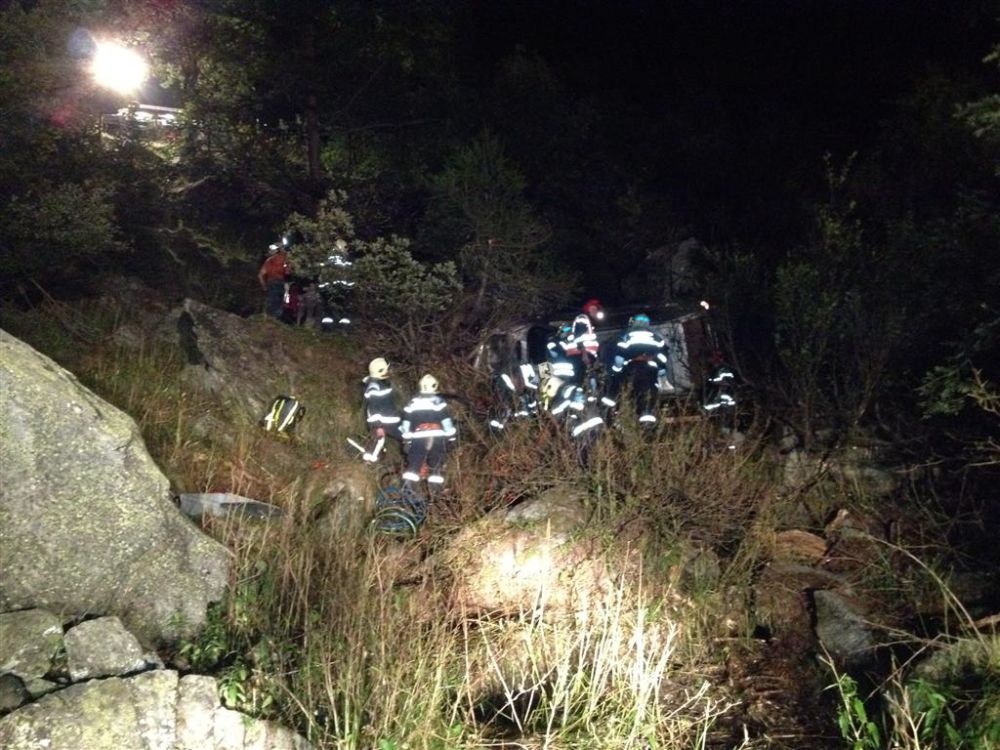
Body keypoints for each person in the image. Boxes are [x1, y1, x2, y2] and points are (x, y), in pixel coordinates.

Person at [608, 313, 669, 426]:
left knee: (629, 395)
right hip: (650, 370)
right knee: (649, 397)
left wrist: (616, 371)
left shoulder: (627, 335)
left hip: (632, 369)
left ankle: (627, 421)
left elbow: (619, 358)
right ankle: (648, 425)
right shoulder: (656, 336)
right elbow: (662, 357)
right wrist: (662, 371)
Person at [400, 374, 457, 488]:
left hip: (419, 437)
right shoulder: (438, 401)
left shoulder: (412, 403)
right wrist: (451, 437)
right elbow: (446, 421)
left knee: (414, 463)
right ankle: (435, 494)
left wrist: (407, 440)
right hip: (437, 437)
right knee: (436, 464)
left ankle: (408, 490)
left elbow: (406, 423)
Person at [362, 357, 402, 463]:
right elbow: (373, 407)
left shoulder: (381, 383)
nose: (388, 370)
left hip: (389, 422)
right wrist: (378, 427)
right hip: (385, 423)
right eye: (386, 369)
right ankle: (369, 460)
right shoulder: (374, 386)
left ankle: (371, 458)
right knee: (407, 438)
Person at [258, 241, 290, 319]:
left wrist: (264, 287)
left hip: (271, 283)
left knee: (272, 302)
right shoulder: (284, 258)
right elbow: (288, 271)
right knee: (278, 304)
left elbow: (260, 275)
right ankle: (273, 320)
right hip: (279, 283)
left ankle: (268, 319)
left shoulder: (268, 261)